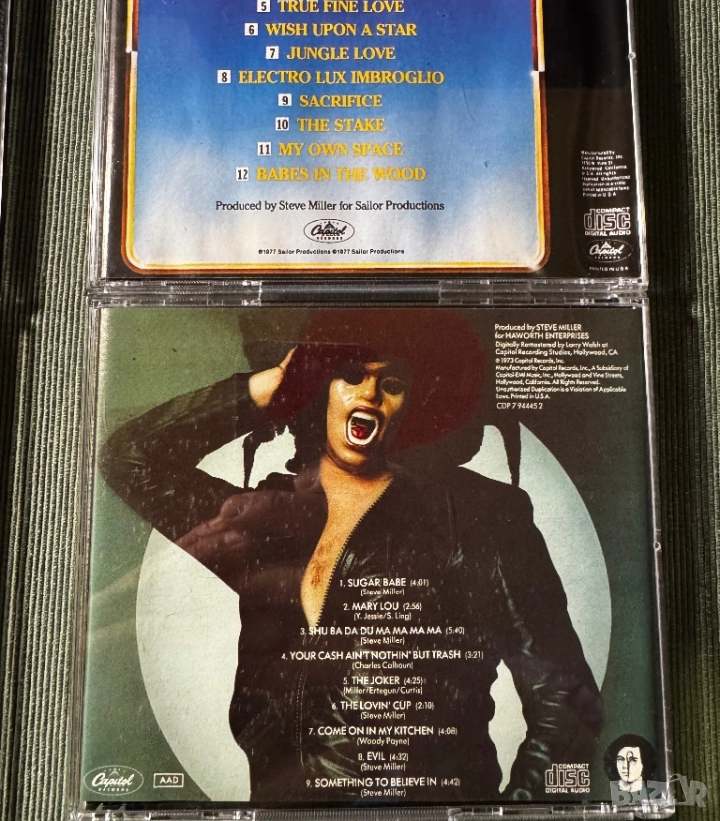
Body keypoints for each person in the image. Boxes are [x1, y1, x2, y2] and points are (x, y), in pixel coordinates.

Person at [100, 309, 603, 803]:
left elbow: (564, 701)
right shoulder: (270, 519)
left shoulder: (476, 517)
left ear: (414, 404)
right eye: (350, 374)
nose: (369, 394)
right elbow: (130, 457)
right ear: (321, 390)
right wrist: (268, 388)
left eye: (392, 383)